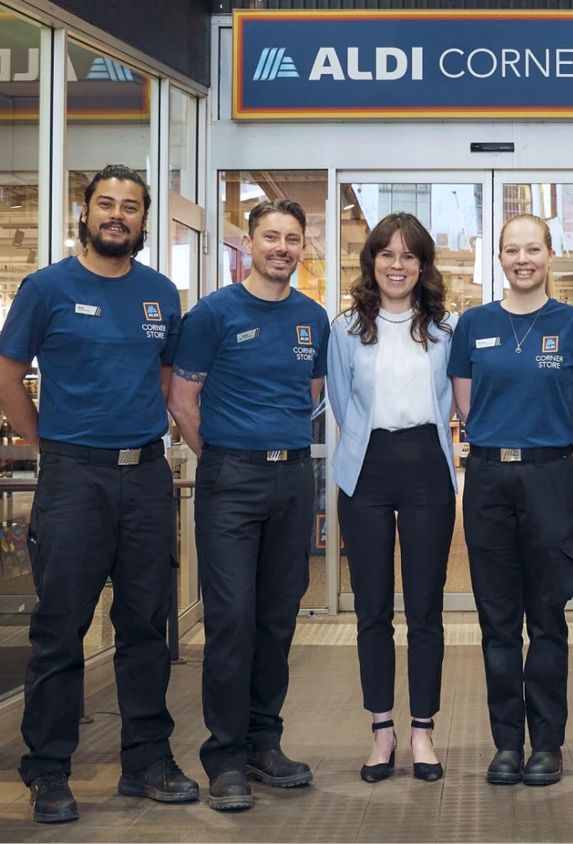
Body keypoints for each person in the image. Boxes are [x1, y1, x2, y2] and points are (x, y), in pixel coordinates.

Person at [0, 164, 199, 823]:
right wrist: (48, 444)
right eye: (106, 204)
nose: (118, 214)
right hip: (73, 479)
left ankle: (146, 762)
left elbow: (167, 378)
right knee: (61, 627)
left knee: (145, 624)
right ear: (84, 213)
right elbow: (7, 374)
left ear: (144, 220)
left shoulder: (160, 293)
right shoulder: (46, 288)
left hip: (145, 475)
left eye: (131, 206)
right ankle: (48, 770)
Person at [167, 199, 330, 811]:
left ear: (301, 247)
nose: (282, 248)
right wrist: (222, 457)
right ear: (251, 244)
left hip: (293, 477)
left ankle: (265, 742)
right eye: (271, 237)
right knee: (232, 618)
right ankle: (226, 757)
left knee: (277, 617)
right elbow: (182, 400)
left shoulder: (312, 317)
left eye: (292, 238)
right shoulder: (213, 313)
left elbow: (309, 393)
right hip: (230, 479)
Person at [448, 214, 573, 787]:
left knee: (546, 618)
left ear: (549, 254)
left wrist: (557, 448)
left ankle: (547, 743)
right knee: (496, 621)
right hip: (489, 479)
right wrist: (504, 442)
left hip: (548, 479)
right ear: (499, 257)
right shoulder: (474, 324)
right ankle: (507, 745)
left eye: (533, 249)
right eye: (512, 250)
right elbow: (466, 406)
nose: (523, 259)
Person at [326, 212, 457, 784]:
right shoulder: (345, 329)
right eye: (386, 254)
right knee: (371, 608)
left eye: (408, 255)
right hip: (366, 468)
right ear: (372, 262)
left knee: (426, 609)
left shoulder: (448, 328)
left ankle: (423, 731)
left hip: (427, 464)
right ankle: (382, 729)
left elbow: (456, 397)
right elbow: (339, 399)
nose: (397, 265)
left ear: (423, 265)